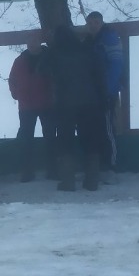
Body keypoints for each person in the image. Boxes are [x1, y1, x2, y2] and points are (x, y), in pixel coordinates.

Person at [47, 25, 105, 191]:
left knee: (66, 141)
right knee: (90, 140)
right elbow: (100, 75)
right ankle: (92, 181)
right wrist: (102, 99)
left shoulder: (54, 53)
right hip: (90, 102)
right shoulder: (88, 50)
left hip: (65, 104)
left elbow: (41, 71)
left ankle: (68, 182)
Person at [8, 34, 56, 182]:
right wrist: (16, 94)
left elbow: (57, 78)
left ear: (40, 41)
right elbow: (12, 79)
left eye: (34, 40)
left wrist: (54, 95)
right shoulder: (20, 60)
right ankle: (27, 171)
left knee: (50, 137)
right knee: (26, 139)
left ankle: (52, 169)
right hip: (26, 106)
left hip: (47, 104)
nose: (31, 44)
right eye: (29, 41)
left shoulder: (50, 58)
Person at [85, 11, 123, 173]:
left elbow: (116, 66)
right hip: (94, 93)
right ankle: (100, 163)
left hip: (107, 92)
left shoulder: (109, 38)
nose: (93, 25)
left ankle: (112, 164)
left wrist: (108, 90)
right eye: (91, 22)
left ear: (101, 23)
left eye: (96, 22)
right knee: (97, 128)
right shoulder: (91, 41)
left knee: (108, 129)